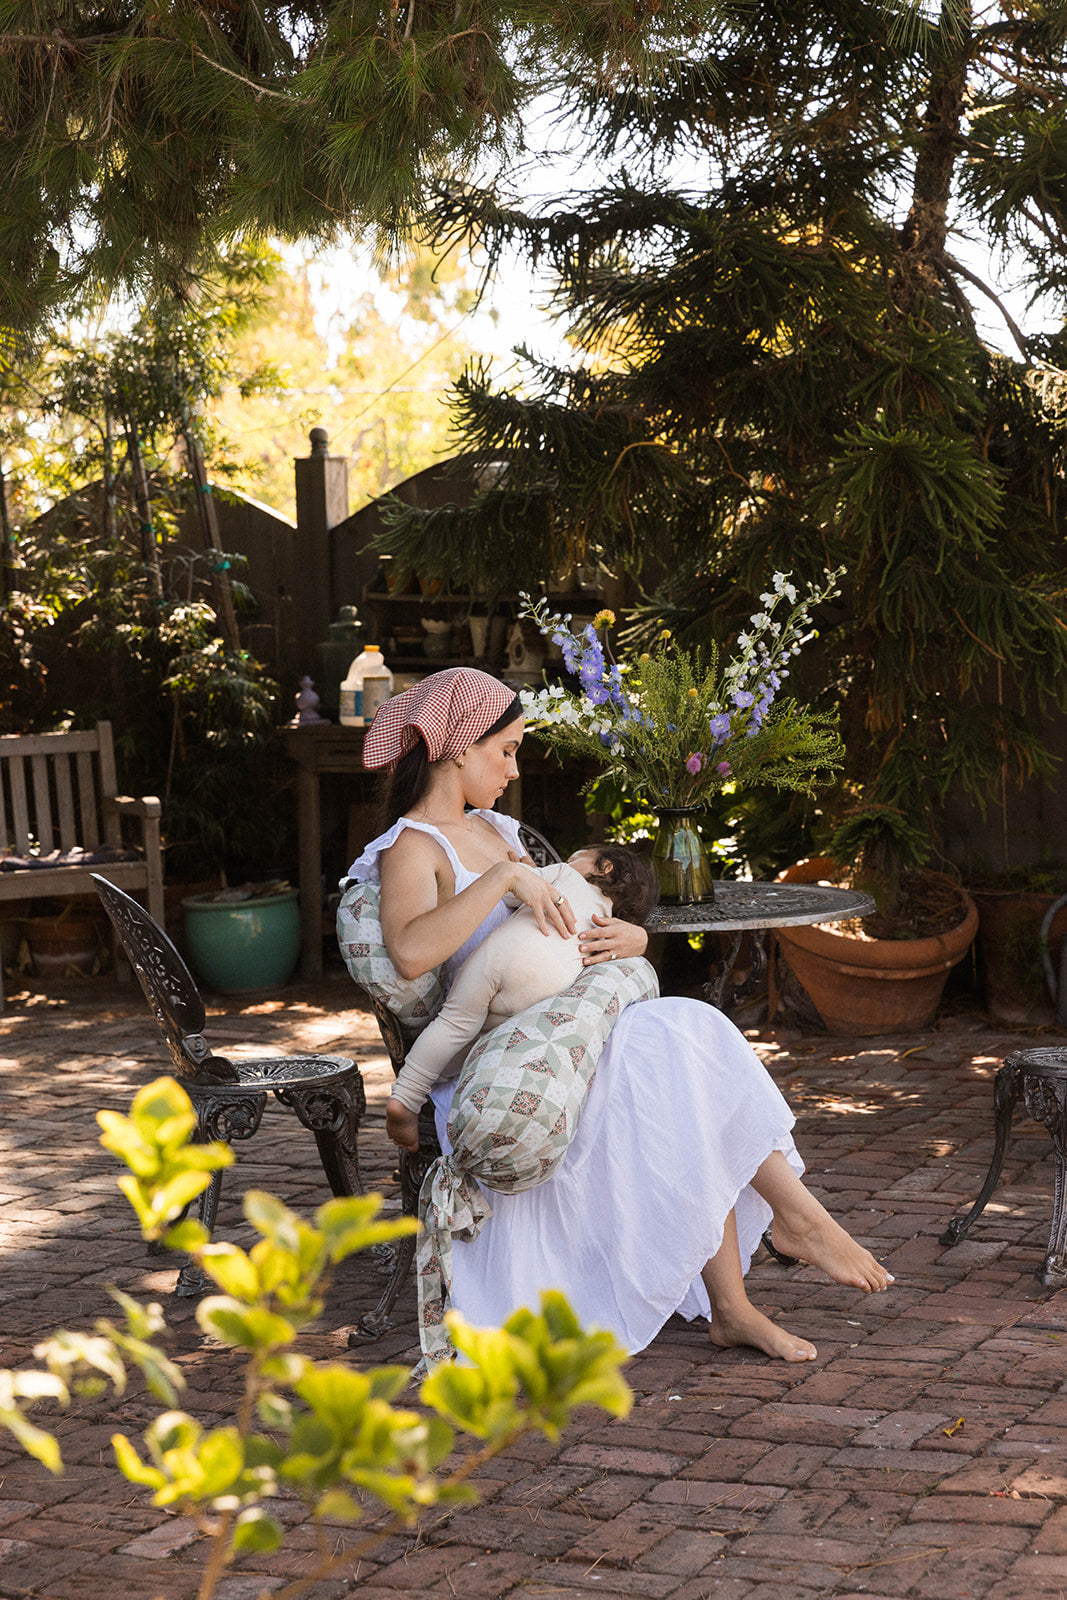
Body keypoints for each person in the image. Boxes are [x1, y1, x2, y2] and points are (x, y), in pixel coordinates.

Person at [347, 667, 892, 1364]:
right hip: (501, 1055)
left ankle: (745, 1292)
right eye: (506, 750)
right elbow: (411, 950)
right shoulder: (413, 846)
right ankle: (787, 1234)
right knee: (679, 1043)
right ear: (457, 749)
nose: (514, 770)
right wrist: (503, 879)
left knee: (684, 1046)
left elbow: (567, 916)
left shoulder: (496, 829)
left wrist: (630, 938)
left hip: (566, 1021)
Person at [384, 844, 660, 1152]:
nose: (566, 862)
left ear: (604, 866)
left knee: (455, 1022)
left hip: (502, 955)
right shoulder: (607, 926)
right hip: (546, 983)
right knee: (498, 1036)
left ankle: (406, 1098)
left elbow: (511, 892)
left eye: (573, 856)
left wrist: (530, 870)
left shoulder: (564, 874)